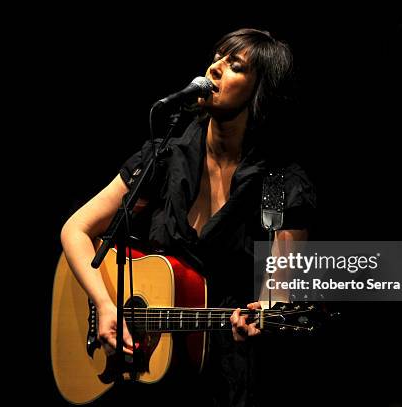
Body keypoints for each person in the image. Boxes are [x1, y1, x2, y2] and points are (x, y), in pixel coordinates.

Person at [60, 28, 316, 406]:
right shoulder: (163, 157)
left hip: (223, 373)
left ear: (260, 92)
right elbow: (76, 228)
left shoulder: (279, 183)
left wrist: (266, 312)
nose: (215, 68)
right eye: (217, 57)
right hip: (148, 370)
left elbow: (280, 294)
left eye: (235, 66)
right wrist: (105, 303)